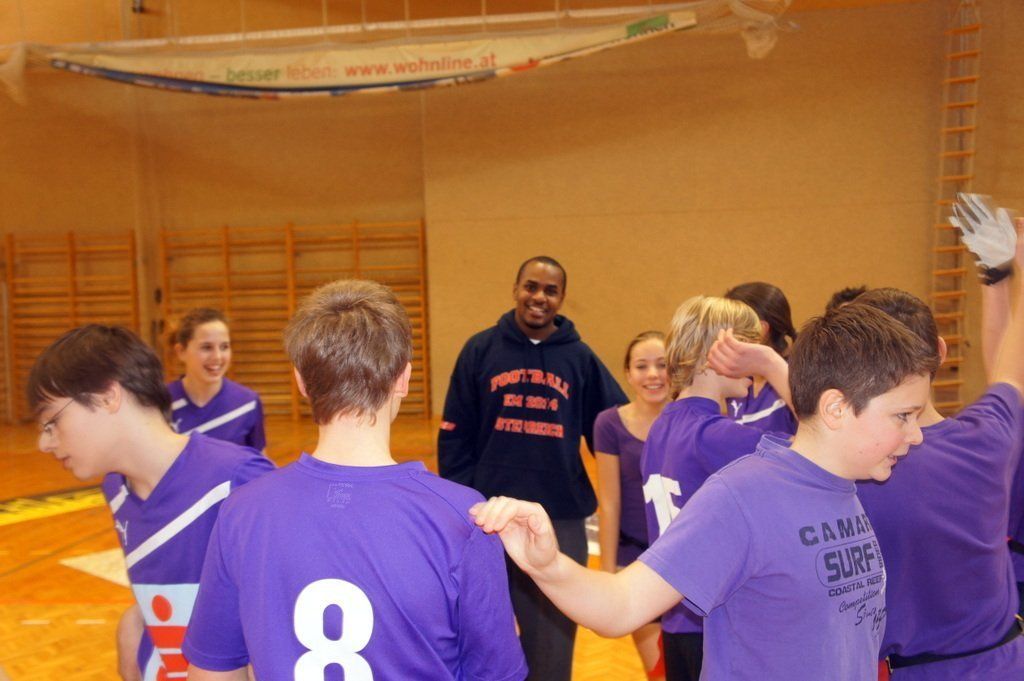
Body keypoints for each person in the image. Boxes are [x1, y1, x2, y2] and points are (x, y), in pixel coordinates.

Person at [471, 302, 940, 681]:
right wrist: (548, 565)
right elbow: (621, 605)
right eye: (903, 416)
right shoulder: (744, 495)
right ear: (836, 408)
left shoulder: (848, 489)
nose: (917, 435)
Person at [182, 280, 526, 680]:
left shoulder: (241, 512)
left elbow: (213, 671)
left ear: (301, 381)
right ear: (403, 378)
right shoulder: (466, 518)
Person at [28, 325, 273, 681]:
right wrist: (136, 622)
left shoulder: (239, 481)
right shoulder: (116, 488)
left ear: (107, 396)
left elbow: (283, 620)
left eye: (52, 422)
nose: (44, 443)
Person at [852, 195, 1024, 679]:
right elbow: (1009, 369)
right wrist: (1005, 274)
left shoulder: (849, 468)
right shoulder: (987, 440)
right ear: (942, 352)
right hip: (1006, 663)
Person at [438, 255, 627, 681]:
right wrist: (463, 508)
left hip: (560, 518)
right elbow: (454, 438)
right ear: (516, 289)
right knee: (482, 640)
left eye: (550, 290)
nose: (539, 297)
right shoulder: (480, 350)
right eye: (531, 286)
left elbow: (613, 431)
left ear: (562, 298)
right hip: (489, 519)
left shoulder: (579, 358)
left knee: (552, 648)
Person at [640, 296, 790, 681]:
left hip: (678, 624)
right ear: (716, 353)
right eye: (749, 349)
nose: (754, 362)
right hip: (717, 627)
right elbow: (824, 443)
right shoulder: (716, 436)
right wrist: (774, 366)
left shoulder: (661, 428)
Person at [594, 330, 670, 679]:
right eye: (642, 366)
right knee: (658, 671)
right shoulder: (609, 424)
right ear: (627, 373)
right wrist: (607, 575)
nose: (653, 374)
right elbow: (609, 502)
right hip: (637, 563)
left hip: (687, 562)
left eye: (662, 365)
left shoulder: (692, 421)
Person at [167, 308, 265, 450]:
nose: (217, 357)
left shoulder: (248, 403)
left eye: (224, 347)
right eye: (206, 347)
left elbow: (259, 459)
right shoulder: (160, 404)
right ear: (181, 351)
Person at [722, 281, 798, 435]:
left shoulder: (796, 376)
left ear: (761, 329)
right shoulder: (739, 381)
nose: (723, 335)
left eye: (729, 326)